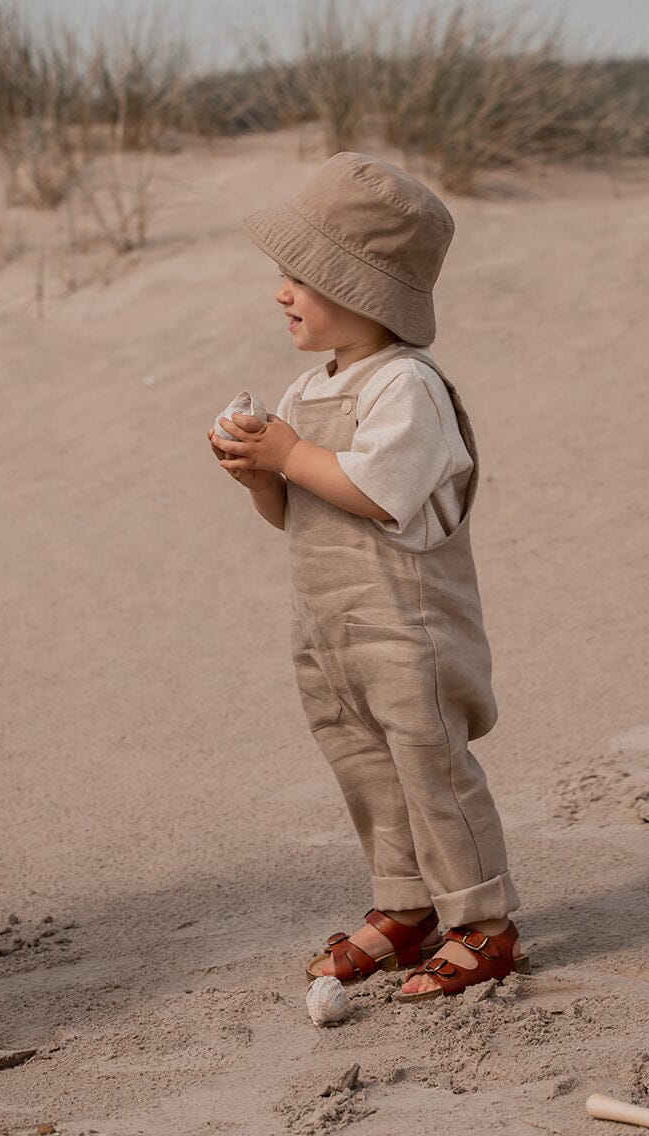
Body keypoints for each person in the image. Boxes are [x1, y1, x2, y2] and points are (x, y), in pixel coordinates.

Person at [207, 151, 522, 1001]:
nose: (281, 293)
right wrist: (261, 474)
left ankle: (483, 921)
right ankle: (406, 904)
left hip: (405, 625)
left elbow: (381, 495)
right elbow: (298, 514)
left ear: (363, 290)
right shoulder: (306, 389)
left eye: (302, 278)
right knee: (365, 766)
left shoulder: (405, 386)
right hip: (330, 624)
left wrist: (289, 453)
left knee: (429, 767)